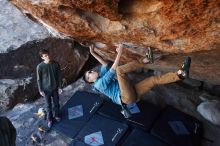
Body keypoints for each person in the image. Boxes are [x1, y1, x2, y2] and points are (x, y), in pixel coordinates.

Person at [83, 44, 191, 109]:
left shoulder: (101, 77)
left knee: (153, 80)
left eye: (90, 71)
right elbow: (113, 69)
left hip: (131, 95)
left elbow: (105, 64)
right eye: (89, 74)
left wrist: (93, 53)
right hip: (125, 97)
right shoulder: (99, 84)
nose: (92, 71)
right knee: (119, 70)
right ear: (90, 81)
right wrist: (119, 52)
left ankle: (180, 75)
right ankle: (145, 60)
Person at [36, 49, 63, 128]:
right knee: (48, 106)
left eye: (47, 55)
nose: (47, 57)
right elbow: (39, 79)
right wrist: (40, 90)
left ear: (49, 54)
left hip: (55, 88)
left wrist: (60, 87)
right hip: (46, 90)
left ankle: (57, 116)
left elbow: (59, 76)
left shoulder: (55, 64)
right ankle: (50, 120)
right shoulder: (40, 67)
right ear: (42, 57)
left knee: (56, 103)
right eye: (44, 56)